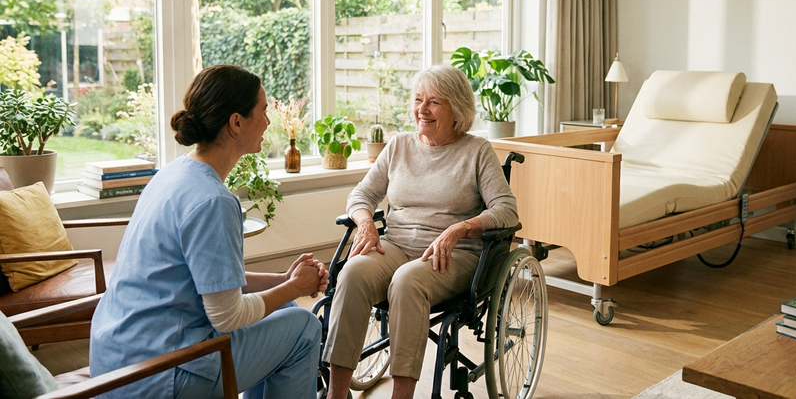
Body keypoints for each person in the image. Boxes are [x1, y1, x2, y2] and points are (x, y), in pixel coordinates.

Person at [90, 64, 328, 399]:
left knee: (286, 311)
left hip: (116, 357)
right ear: (236, 122)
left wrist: (282, 280)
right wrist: (294, 288)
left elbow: (210, 279)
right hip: (162, 373)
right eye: (262, 111)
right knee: (305, 327)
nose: (268, 122)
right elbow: (228, 315)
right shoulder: (214, 201)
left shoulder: (172, 174)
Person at [323, 65, 518, 399]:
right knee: (352, 272)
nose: (421, 110)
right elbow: (361, 195)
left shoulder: (477, 151)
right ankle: (336, 394)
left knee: (408, 280)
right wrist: (366, 223)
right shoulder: (398, 145)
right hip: (396, 244)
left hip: (451, 255)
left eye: (434, 102)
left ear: (457, 108)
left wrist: (461, 228)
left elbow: (506, 209)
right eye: (418, 100)